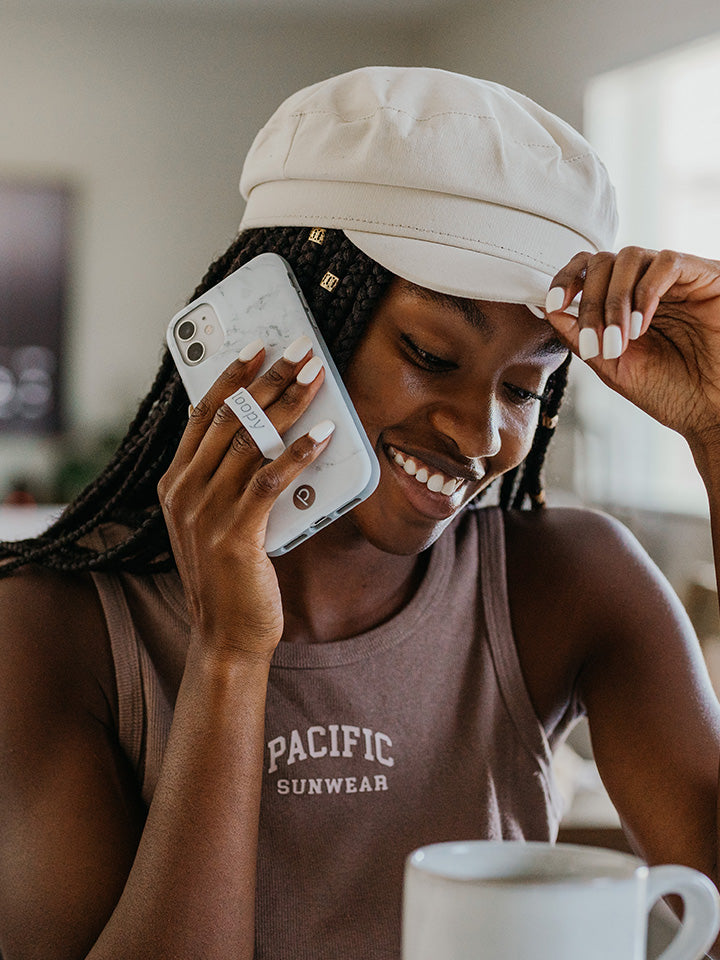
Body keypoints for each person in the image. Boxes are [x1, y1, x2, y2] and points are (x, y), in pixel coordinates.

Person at [1, 64, 720, 960]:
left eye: (528, 388)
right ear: (282, 327)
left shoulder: (569, 582)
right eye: (430, 351)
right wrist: (229, 657)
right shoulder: (47, 629)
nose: (483, 435)